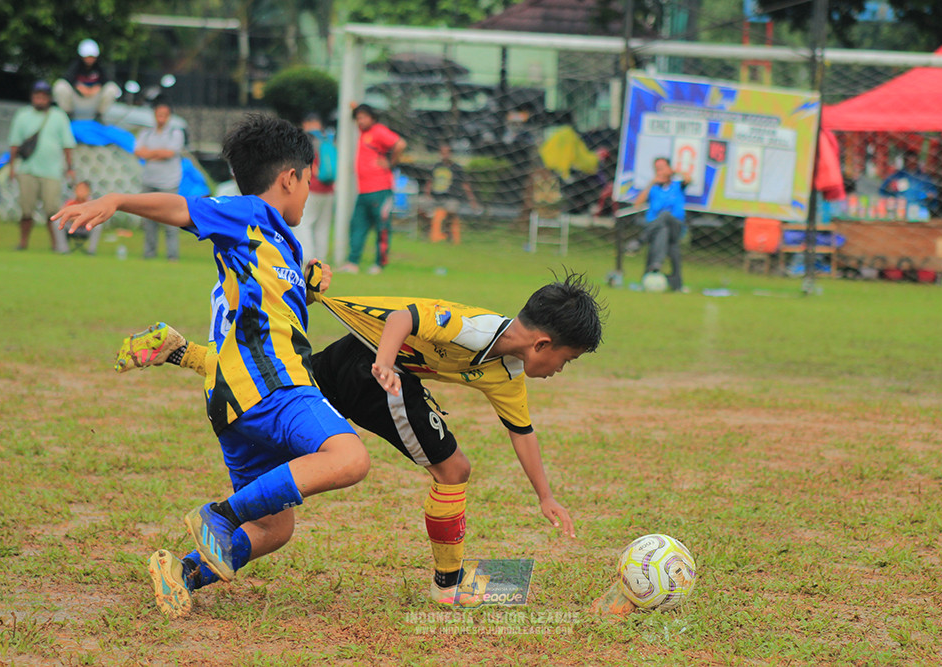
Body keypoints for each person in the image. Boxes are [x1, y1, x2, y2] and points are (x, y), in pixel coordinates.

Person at [112, 269, 606, 606]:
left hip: (361, 362)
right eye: (567, 359)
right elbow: (403, 317)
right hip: (374, 369)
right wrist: (387, 364)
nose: (561, 370)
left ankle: (183, 569)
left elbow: (523, 432)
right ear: (543, 343)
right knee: (453, 470)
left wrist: (546, 496)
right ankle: (449, 585)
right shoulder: (474, 328)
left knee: (283, 409)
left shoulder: (508, 373)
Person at [52, 113, 371, 619]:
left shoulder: (275, 241)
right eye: (309, 181)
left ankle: (181, 571)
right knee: (349, 458)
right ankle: (218, 516)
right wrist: (117, 200)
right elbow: (183, 207)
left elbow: (266, 309)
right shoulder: (246, 213)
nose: (310, 193)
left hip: (232, 398)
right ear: (289, 177)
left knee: (273, 528)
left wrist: (305, 283)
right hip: (273, 388)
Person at [7, 80, 77, 252]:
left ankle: (55, 243)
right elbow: (14, 144)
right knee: (26, 209)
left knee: (52, 210)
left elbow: (67, 144)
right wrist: (11, 167)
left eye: (43, 97)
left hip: (51, 171)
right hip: (27, 169)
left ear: (49, 99)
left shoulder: (59, 116)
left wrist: (70, 167)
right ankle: (23, 242)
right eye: (37, 97)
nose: (40, 100)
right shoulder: (23, 115)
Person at [337, 104, 406, 275]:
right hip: (363, 191)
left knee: (382, 227)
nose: (360, 121)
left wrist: (391, 163)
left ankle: (379, 264)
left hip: (380, 189)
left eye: (364, 117)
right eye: (358, 118)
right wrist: (354, 105)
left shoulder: (378, 130)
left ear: (372, 117)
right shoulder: (363, 133)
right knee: (357, 225)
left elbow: (400, 144)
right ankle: (352, 263)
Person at [133, 99, 185, 261]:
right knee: (148, 221)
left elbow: (169, 153)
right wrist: (156, 153)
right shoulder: (146, 133)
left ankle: (172, 255)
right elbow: (138, 152)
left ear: (169, 117)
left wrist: (150, 154)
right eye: (158, 115)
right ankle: (149, 253)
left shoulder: (176, 133)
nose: (161, 118)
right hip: (149, 181)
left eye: (164, 115)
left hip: (169, 183)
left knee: (171, 221)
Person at [630, 157, 690, 292]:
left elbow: (689, 178)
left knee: (665, 216)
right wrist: (651, 183)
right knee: (663, 231)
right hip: (656, 229)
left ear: (669, 168)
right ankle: (674, 283)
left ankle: (640, 240)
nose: (660, 171)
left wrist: (675, 171)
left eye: (662, 168)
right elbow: (637, 204)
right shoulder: (654, 188)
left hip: (677, 226)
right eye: (657, 169)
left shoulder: (677, 185)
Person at [292, 113, 335, 264]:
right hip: (329, 189)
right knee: (322, 227)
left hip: (311, 188)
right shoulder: (329, 138)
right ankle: (320, 261)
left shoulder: (307, 139)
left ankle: (307, 258)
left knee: (304, 223)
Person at [52, 39, 121, 121]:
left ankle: (98, 117)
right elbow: (67, 80)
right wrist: (79, 87)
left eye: (92, 57)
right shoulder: (75, 66)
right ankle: (68, 116)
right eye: (87, 57)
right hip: (77, 100)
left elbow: (108, 82)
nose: (90, 59)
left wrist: (96, 88)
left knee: (112, 88)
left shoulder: (100, 67)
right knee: (60, 85)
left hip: (94, 100)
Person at [423, 143, 479, 244]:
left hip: (451, 198)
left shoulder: (457, 168)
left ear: (451, 154)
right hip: (436, 197)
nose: (445, 155)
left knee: (451, 211)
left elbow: (465, 184)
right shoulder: (436, 166)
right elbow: (429, 182)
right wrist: (427, 195)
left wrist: (472, 199)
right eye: (442, 153)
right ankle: (431, 231)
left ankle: (448, 232)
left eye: (447, 153)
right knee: (422, 208)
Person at [878, 150, 939, 216]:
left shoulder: (924, 177)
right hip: (900, 212)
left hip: (920, 211)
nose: (912, 164)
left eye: (914, 162)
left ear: (917, 162)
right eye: (910, 162)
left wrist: (930, 196)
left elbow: (933, 194)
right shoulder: (897, 176)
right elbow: (882, 191)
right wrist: (889, 187)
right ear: (905, 162)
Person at [60, 181, 104, 254]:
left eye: (83, 190)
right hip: (72, 227)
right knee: (57, 223)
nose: (80, 192)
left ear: (88, 191)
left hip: (86, 228)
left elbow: (95, 217)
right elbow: (63, 214)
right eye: (79, 189)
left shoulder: (92, 204)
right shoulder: (70, 203)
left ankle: (91, 250)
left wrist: (79, 218)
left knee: (98, 225)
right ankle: (63, 248)